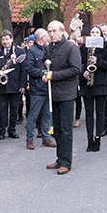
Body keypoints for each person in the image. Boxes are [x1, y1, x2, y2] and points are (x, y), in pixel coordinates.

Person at [44, 20, 82, 174]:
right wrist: (43, 74)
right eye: (49, 31)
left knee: (66, 129)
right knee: (57, 129)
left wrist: (54, 75)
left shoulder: (71, 47)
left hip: (66, 93)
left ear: (62, 31)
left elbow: (76, 69)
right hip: (53, 93)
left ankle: (66, 162)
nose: (52, 34)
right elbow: (43, 64)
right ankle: (60, 158)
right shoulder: (49, 48)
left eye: (54, 31)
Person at [79, 25, 107, 152]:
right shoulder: (84, 47)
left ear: (100, 35)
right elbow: (80, 63)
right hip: (87, 83)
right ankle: (90, 139)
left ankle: (98, 138)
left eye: (96, 32)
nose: (94, 34)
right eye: (92, 32)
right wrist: (83, 72)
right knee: (89, 112)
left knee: (100, 113)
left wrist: (97, 61)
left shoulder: (106, 46)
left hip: (101, 83)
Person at [22, 28, 55, 150]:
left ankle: (46, 137)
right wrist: (42, 73)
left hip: (48, 88)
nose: (49, 37)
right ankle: (29, 139)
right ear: (42, 38)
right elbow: (28, 68)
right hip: (37, 88)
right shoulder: (31, 51)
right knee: (33, 115)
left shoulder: (47, 49)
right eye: (47, 36)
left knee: (46, 114)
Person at [0, 30, 26, 140]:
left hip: (15, 85)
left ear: (11, 39)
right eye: (3, 40)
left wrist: (22, 85)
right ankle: (1, 131)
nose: (5, 42)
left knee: (14, 109)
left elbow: (23, 70)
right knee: (2, 110)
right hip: (2, 86)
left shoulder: (19, 51)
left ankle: (12, 130)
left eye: (7, 39)